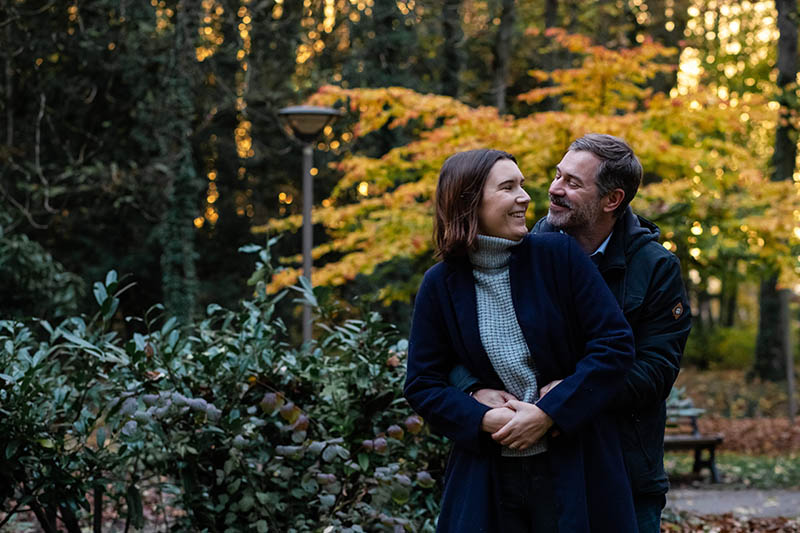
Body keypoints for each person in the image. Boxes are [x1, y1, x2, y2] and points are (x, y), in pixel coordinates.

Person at [451, 134, 692, 532]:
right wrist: (471, 387)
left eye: (573, 183)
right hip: (533, 465)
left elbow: (655, 370)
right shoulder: (518, 246)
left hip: (623, 465)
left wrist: (564, 401)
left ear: (612, 200)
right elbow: (461, 338)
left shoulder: (654, 267)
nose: (553, 189)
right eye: (558, 175)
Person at [404, 148, 639, 532]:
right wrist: (481, 418)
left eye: (523, 185)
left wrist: (550, 413)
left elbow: (614, 345)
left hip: (576, 468)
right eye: (508, 187)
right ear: (469, 201)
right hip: (487, 478)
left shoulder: (558, 255)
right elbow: (422, 383)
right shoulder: (439, 284)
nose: (526, 197)